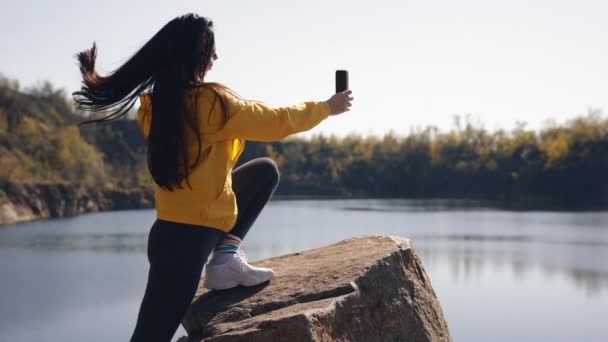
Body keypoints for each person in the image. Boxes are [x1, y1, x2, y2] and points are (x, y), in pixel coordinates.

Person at [72, 13, 353, 342]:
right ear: (197, 55)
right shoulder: (214, 104)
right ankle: (222, 260)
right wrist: (326, 108)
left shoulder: (151, 108)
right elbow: (278, 121)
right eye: (212, 51)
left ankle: (225, 259)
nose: (216, 58)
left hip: (169, 233)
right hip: (187, 246)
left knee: (263, 172)